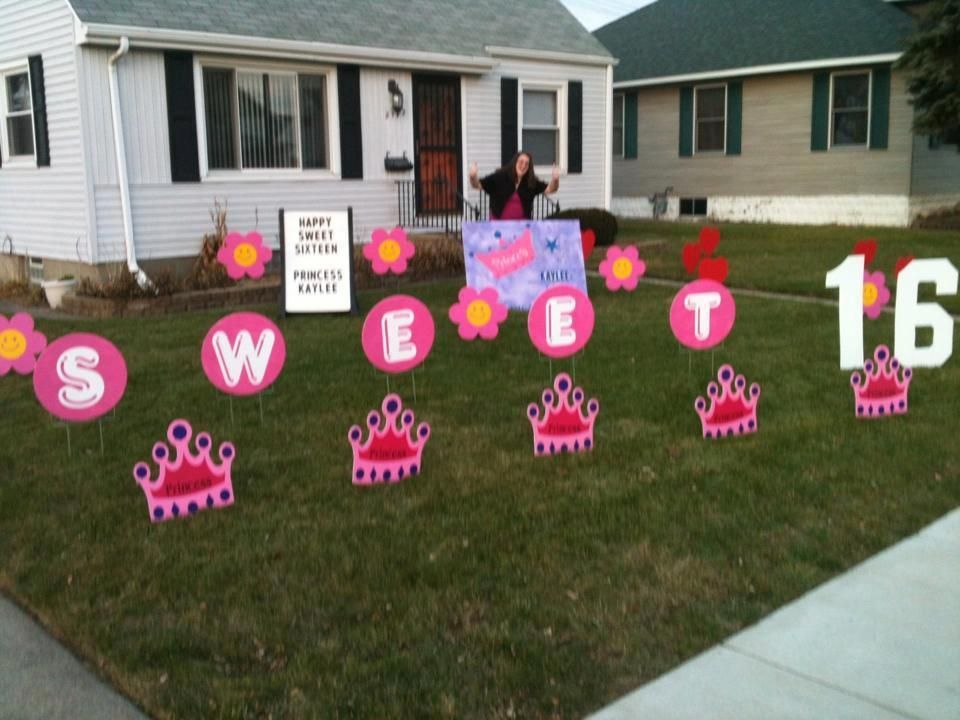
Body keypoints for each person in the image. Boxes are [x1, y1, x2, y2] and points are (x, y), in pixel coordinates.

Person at [468, 151, 559, 220]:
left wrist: (555, 180)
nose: (523, 166)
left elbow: (551, 189)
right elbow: (477, 185)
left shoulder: (531, 182)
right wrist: (472, 177)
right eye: (521, 162)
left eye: (527, 164)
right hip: (498, 228)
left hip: (521, 229)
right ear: (514, 162)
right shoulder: (499, 177)